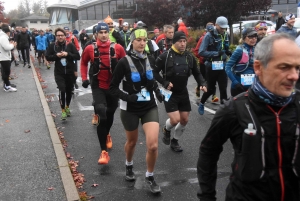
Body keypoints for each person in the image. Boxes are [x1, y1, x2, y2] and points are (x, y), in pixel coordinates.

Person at [197, 33, 300, 201]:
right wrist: (207, 196)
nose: (294, 76)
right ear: (258, 67)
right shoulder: (233, 109)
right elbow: (208, 152)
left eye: (297, 68)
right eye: (284, 67)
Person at [110, 27, 164, 194]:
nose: (142, 43)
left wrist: (158, 90)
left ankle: (150, 176)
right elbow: (112, 88)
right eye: (139, 40)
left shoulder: (151, 59)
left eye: (144, 40)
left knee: (153, 145)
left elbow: (154, 80)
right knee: (132, 142)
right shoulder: (123, 62)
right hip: (130, 108)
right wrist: (128, 97)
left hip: (149, 106)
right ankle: (129, 164)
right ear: (131, 42)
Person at [153, 31, 207, 152]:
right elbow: (154, 72)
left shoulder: (189, 56)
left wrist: (202, 83)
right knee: (175, 120)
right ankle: (166, 129)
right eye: (180, 41)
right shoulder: (164, 56)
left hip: (182, 92)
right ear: (173, 42)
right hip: (168, 92)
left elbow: (197, 73)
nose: (183, 44)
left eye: (184, 41)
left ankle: (175, 141)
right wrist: (164, 82)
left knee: (184, 120)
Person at [80, 22, 126, 165]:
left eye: (106, 32)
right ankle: (103, 152)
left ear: (109, 33)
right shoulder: (90, 48)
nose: (104, 35)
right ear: (96, 34)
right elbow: (83, 63)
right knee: (102, 113)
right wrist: (84, 78)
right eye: (101, 33)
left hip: (113, 87)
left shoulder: (118, 48)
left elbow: (126, 64)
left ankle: (107, 134)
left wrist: (130, 82)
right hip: (98, 86)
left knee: (110, 114)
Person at [198, 16, 231, 115]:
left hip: (222, 65)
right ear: (216, 25)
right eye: (221, 27)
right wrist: (216, 53)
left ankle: (223, 112)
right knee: (210, 89)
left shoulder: (225, 34)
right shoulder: (209, 35)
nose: (223, 29)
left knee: (223, 89)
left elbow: (225, 48)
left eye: (225, 28)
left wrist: (228, 51)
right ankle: (202, 103)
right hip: (211, 65)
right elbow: (201, 52)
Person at [45, 27, 80, 120]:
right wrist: (56, 56)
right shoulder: (53, 46)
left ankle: (67, 106)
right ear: (56, 36)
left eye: (62, 35)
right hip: (59, 72)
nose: (60, 37)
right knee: (62, 90)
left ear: (65, 36)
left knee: (69, 91)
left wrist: (68, 54)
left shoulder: (70, 45)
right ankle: (63, 110)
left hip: (69, 72)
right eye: (58, 35)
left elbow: (77, 56)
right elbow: (47, 57)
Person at [225, 28, 257, 97]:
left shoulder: (257, 50)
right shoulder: (239, 50)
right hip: (238, 87)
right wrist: (235, 82)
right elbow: (227, 67)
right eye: (250, 37)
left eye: (255, 36)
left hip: (252, 88)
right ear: (244, 38)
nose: (253, 39)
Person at [193, 22, 218, 102]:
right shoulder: (203, 38)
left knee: (212, 79)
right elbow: (197, 51)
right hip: (203, 63)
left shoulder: (217, 37)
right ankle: (198, 87)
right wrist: (203, 58)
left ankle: (213, 96)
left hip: (213, 62)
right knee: (203, 79)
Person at [0, 23, 17, 92]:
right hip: (4, 57)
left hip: (4, 56)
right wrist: (13, 45)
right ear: (8, 32)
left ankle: (6, 85)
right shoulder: (3, 37)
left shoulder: (2, 37)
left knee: (5, 72)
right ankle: (7, 86)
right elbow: (6, 47)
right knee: (6, 72)